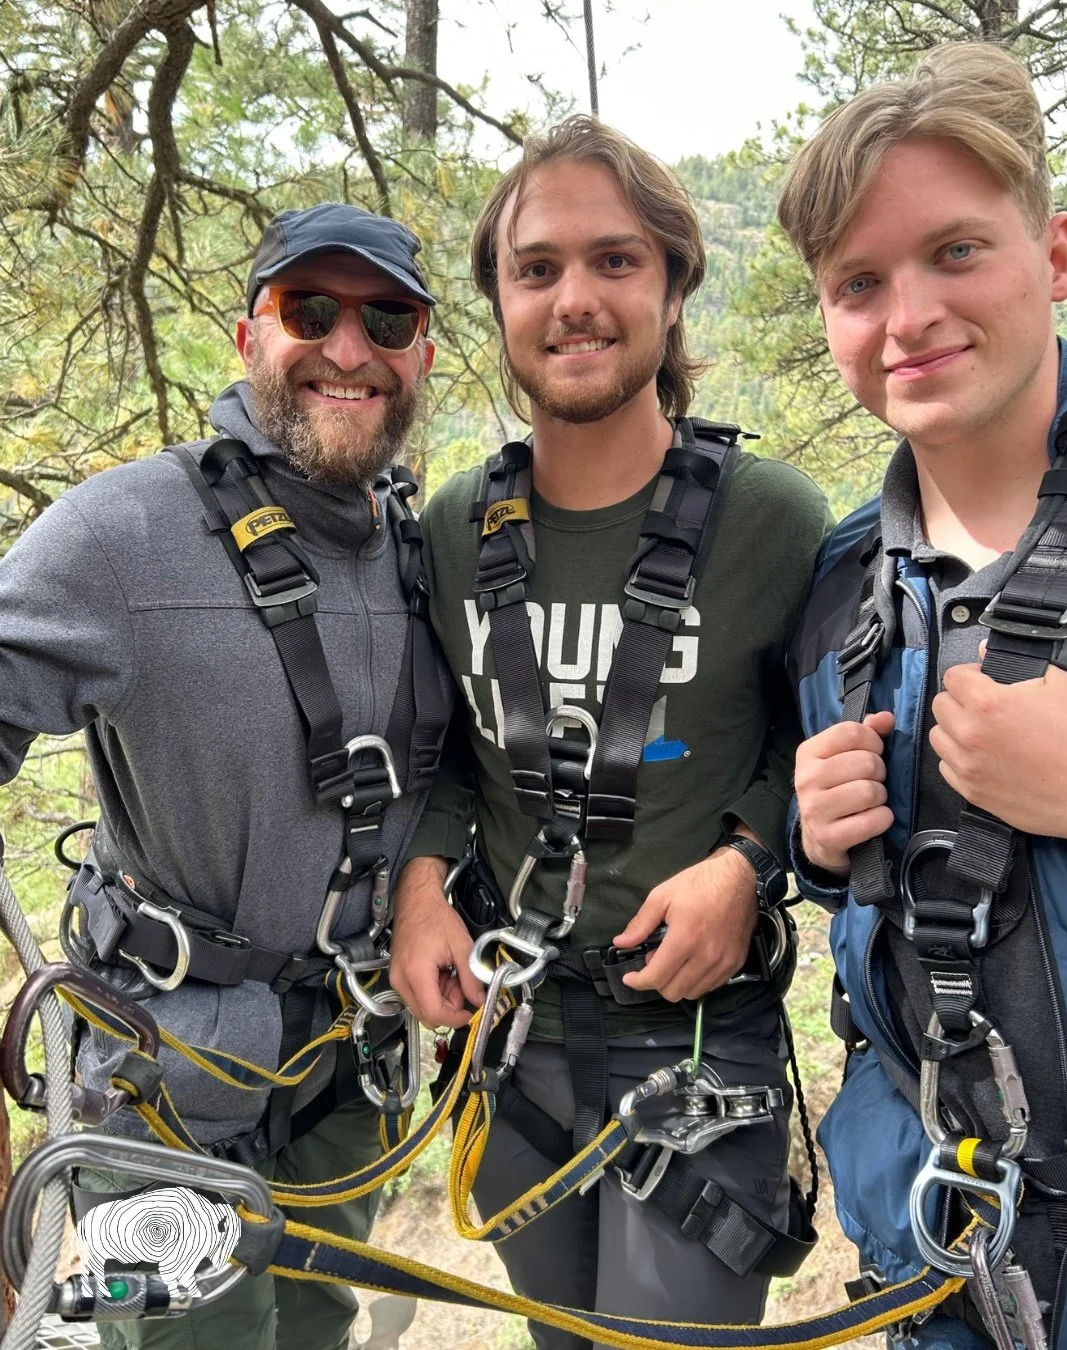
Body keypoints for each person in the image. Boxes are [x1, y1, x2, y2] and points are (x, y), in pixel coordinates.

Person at [389, 116, 832, 1347]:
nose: (574, 299)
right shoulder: (451, 531)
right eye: (537, 269)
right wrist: (423, 890)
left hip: (698, 1040)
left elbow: (839, 749)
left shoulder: (776, 521)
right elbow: (445, 756)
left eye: (615, 260)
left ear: (677, 282)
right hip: (516, 1041)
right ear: (497, 299)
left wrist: (749, 865)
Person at [0, 203, 451, 1350]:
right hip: (165, 1083)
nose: (348, 349)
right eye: (311, 311)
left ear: (422, 356)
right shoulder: (123, 535)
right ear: (249, 335)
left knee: (314, 1330)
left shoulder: (422, 549)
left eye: (385, 319)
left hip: (349, 1075)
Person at [782, 42, 1067, 1350]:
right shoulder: (840, 587)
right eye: (860, 282)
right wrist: (818, 840)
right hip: (947, 1245)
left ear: (1059, 256)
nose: (908, 315)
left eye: (957, 252)